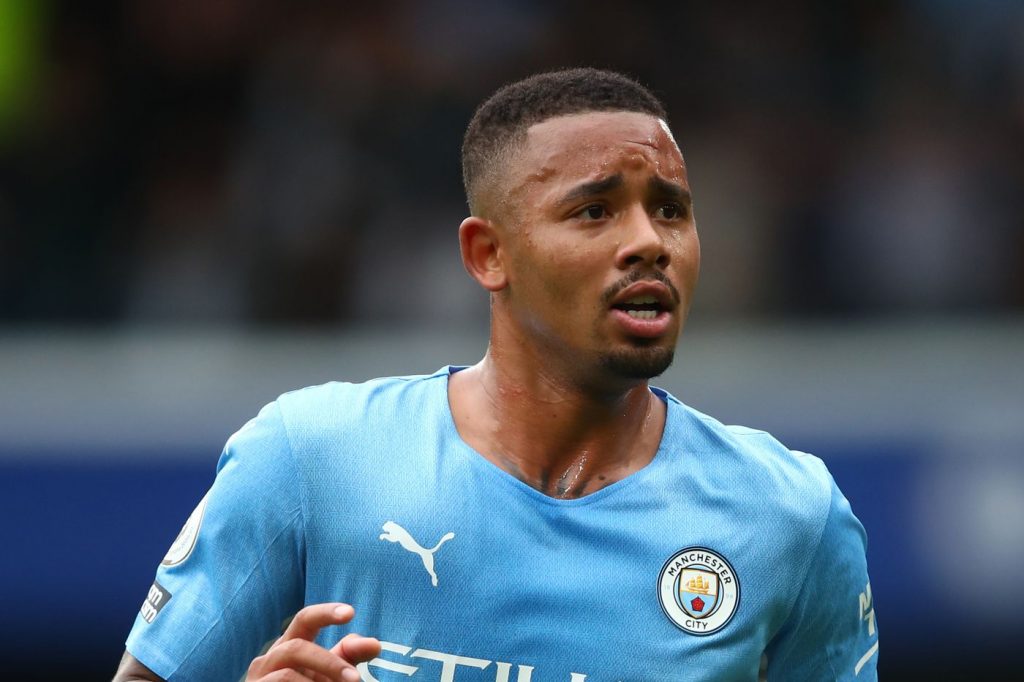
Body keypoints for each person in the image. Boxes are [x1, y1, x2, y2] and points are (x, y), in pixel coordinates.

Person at [113, 68, 878, 682]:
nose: (649, 241)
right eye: (595, 211)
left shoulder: (790, 518)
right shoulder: (309, 459)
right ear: (488, 254)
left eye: (671, 210)